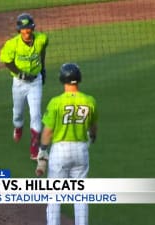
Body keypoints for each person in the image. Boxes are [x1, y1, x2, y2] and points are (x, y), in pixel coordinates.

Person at [37, 63, 98, 225]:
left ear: (62, 79)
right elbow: (93, 128)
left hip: (60, 151)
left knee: (54, 197)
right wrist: (92, 137)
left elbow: (48, 131)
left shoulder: (56, 102)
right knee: (80, 197)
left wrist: (43, 150)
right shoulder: (89, 100)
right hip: (81, 150)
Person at [0, 12, 49, 160]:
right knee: (18, 113)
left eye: (29, 28)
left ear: (32, 28)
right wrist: (20, 74)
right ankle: (18, 127)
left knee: (36, 114)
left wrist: (43, 69)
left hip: (35, 82)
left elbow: (42, 51)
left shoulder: (42, 39)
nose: (26, 31)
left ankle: (34, 148)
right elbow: (6, 61)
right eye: (23, 29)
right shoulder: (12, 44)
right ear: (19, 30)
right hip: (19, 83)